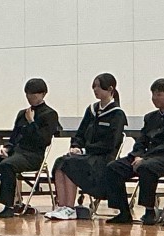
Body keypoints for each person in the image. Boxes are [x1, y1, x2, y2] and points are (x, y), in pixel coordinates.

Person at [0, 78, 59, 218]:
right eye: (27, 94)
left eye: (34, 94)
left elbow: (43, 140)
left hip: (32, 155)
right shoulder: (22, 113)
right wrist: (6, 148)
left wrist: (31, 122)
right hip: (15, 153)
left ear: (43, 94)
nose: (30, 97)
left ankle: (8, 206)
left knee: (7, 165)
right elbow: (14, 137)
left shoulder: (50, 114)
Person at [103, 78, 164, 225]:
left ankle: (149, 210)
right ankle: (123, 211)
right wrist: (138, 154)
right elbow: (141, 140)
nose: (154, 98)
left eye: (159, 94)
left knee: (146, 167)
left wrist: (145, 158)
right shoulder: (150, 117)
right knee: (113, 167)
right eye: (153, 94)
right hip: (146, 157)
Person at [46, 73, 127, 221]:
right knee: (60, 162)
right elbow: (80, 133)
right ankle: (62, 206)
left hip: (102, 159)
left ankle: (70, 208)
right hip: (86, 156)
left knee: (71, 164)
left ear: (110, 89)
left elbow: (110, 143)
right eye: (94, 86)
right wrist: (76, 146)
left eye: (99, 87)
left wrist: (85, 150)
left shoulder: (117, 114)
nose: (95, 90)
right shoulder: (91, 110)